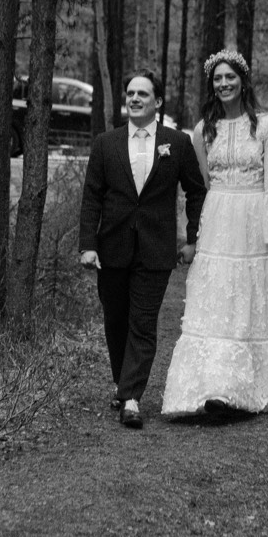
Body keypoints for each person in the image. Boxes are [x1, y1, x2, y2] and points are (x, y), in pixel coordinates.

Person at [161, 49, 268, 416]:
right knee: (216, 298)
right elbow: (204, 183)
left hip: (253, 221)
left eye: (229, 77)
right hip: (219, 218)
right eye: (217, 79)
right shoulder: (203, 130)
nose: (223, 84)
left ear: (243, 80)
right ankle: (213, 386)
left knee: (247, 297)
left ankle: (245, 388)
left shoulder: (267, 125)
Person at [79, 69, 207, 429]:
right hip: (112, 247)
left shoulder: (176, 143)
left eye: (143, 94)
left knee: (143, 322)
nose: (135, 99)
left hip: (156, 249)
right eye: (131, 93)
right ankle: (123, 383)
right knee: (115, 320)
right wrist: (88, 245)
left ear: (158, 102)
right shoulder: (106, 143)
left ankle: (133, 397)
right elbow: (92, 197)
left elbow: (196, 191)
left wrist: (192, 238)